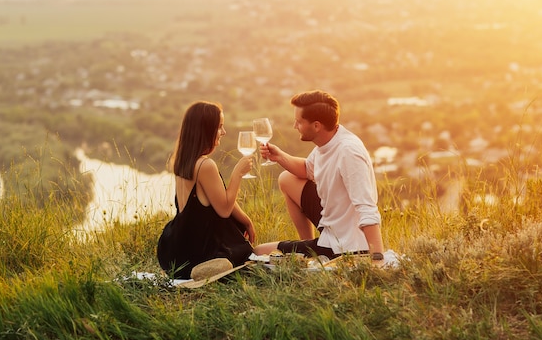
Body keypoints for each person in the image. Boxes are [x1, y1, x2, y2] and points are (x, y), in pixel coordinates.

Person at [253, 90, 385, 264]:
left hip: (344, 246)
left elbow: (367, 207)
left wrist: (377, 258)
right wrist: (279, 156)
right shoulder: (328, 142)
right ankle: (307, 245)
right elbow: (308, 169)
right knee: (287, 178)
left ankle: (310, 254)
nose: (294, 126)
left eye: (299, 122)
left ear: (316, 126)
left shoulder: (348, 152)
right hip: (332, 225)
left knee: (258, 252)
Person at [157, 101, 256, 279]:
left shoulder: (183, 160)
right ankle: (206, 268)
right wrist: (237, 174)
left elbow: (219, 197)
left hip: (174, 248)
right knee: (249, 253)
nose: (224, 132)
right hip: (196, 250)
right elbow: (224, 209)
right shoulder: (205, 165)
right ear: (205, 129)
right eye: (219, 127)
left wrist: (246, 221)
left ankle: (209, 267)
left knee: (240, 242)